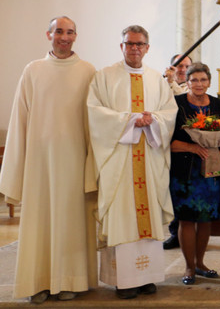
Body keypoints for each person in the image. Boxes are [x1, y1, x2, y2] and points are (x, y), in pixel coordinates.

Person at [0, 16, 97, 303]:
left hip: (74, 158)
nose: (63, 37)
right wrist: (19, 161)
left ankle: (71, 280)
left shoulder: (88, 71)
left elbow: (95, 120)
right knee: (40, 220)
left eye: (69, 32)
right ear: (48, 35)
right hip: (40, 161)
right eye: (58, 32)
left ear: (76, 36)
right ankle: (37, 282)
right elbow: (20, 118)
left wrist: (94, 163)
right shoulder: (33, 70)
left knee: (71, 220)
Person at [87, 25, 178, 299]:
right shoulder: (104, 77)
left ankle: (148, 277)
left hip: (149, 158)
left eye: (140, 44)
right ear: (122, 46)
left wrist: (155, 120)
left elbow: (169, 112)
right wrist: (129, 119)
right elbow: (94, 112)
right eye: (130, 44)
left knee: (147, 214)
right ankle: (124, 281)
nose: (135, 48)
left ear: (147, 48)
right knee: (124, 215)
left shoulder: (157, 80)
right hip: (119, 161)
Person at [169, 62, 220, 285]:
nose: (199, 84)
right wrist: (192, 147)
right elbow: (169, 140)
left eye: (203, 80)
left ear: (209, 82)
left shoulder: (218, 104)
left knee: (205, 220)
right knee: (186, 220)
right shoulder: (177, 104)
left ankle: (201, 263)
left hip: (210, 171)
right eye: (194, 80)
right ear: (187, 82)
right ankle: (188, 266)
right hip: (185, 172)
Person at [163, 53, 192, 250]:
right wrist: (168, 83)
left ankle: (193, 234)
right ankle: (175, 233)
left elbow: (182, 102)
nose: (182, 69)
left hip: (190, 149)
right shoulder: (163, 86)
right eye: (178, 66)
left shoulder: (195, 86)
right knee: (172, 192)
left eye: (186, 66)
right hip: (169, 147)